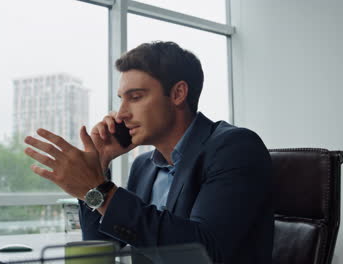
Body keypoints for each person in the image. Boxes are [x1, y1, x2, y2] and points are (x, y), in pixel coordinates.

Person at [24, 41, 273, 264]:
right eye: (121, 99)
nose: (120, 113)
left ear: (177, 94)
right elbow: (104, 249)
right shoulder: (144, 166)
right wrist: (98, 169)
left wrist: (98, 188)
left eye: (135, 97)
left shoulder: (235, 147)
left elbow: (204, 251)